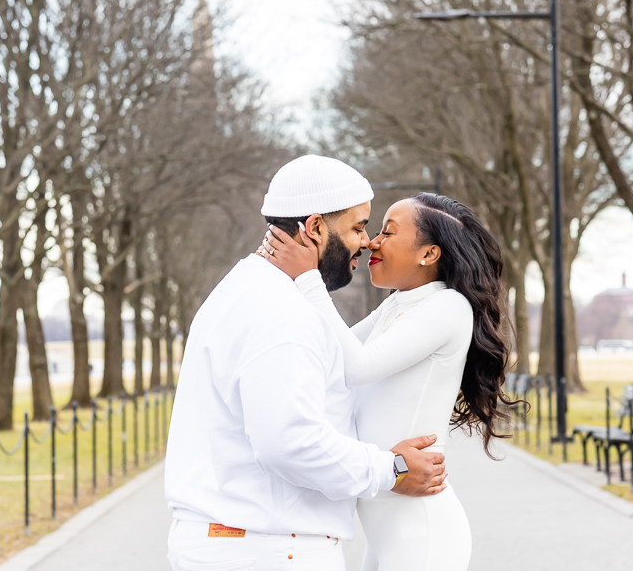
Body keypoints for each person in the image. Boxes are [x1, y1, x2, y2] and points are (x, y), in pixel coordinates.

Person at [164, 156, 448, 571]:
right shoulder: (278, 308)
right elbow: (289, 442)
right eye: (357, 227)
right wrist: (392, 468)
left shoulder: (247, 288)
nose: (367, 241)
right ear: (315, 228)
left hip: (245, 545)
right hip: (268, 551)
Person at [261, 192, 514, 571]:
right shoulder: (399, 304)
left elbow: (357, 366)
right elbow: (333, 353)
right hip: (387, 529)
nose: (372, 241)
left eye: (387, 232)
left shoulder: (447, 306)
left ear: (428, 254)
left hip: (421, 532)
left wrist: (308, 277)